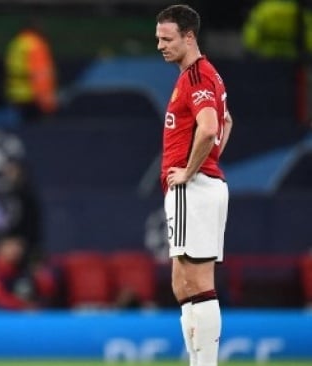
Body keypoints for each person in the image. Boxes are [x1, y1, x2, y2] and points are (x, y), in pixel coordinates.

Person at [156, 5, 234, 366]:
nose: (160, 45)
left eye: (167, 38)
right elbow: (226, 121)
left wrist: (190, 170)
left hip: (196, 187)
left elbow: (209, 127)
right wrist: (208, 159)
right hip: (201, 185)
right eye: (158, 38)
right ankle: (198, 360)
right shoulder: (205, 76)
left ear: (190, 37)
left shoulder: (196, 78)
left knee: (198, 281)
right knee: (181, 282)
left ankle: (205, 364)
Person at [4, 18, 58, 123]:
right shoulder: (36, 45)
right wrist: (45, 100)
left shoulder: (16, 43)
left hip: (15, 93)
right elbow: (40, 74)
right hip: (32, 95)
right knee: (37, 133)